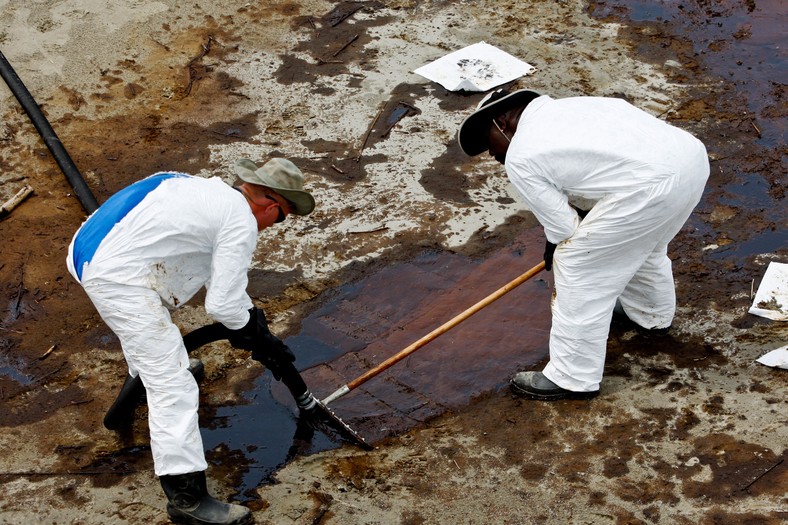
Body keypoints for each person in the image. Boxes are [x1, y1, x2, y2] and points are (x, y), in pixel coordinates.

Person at [66, 157, 316, 525]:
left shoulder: (192, 184)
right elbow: (222, 305)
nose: (273, 227)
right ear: (271, 204)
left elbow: (225, 288)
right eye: (280, 219)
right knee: (173, 384)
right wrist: (253, 333)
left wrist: (252, 321)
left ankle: (138, 381)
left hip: (88, 253)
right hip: (118, 276)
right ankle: (187, 498)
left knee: (152, 333)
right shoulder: (241, 220)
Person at [457, 88, 709, 401]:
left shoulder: (521, 154)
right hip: (691, 160)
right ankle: (650, 314)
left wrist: (554, 246)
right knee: (645, 245)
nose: (492, 156)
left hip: (648, 186)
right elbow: (604, 169)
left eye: (488, 143)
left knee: (577, 264)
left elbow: (563, 227)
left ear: (503, 121)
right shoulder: (578, 106)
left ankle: (572, 377)